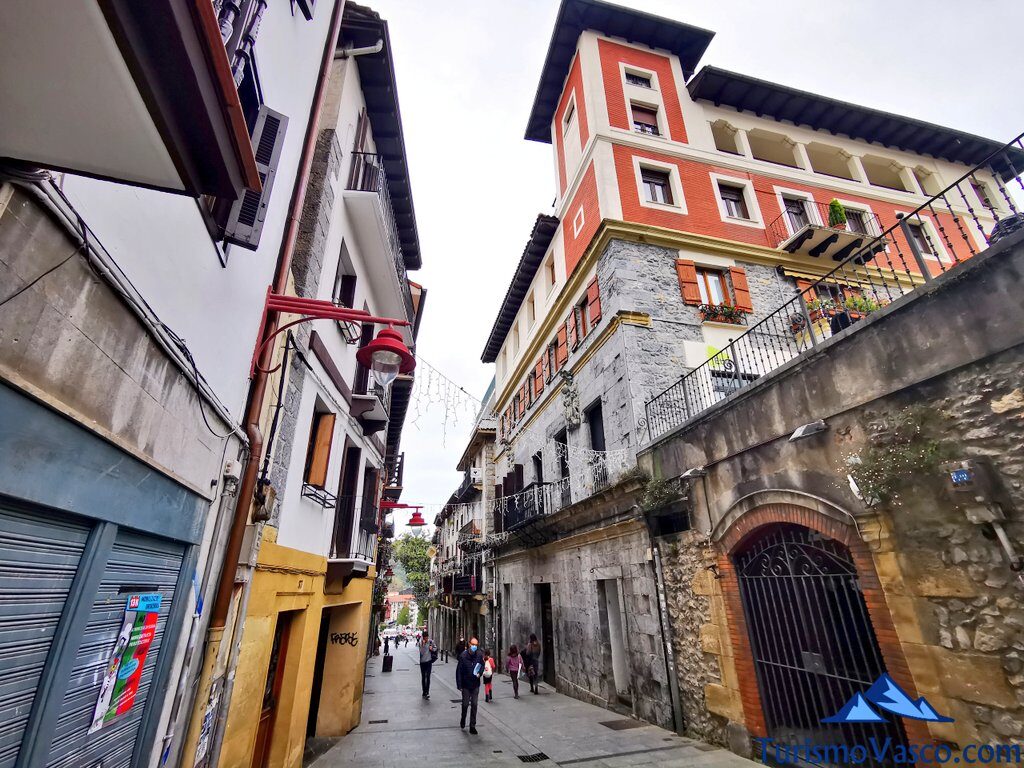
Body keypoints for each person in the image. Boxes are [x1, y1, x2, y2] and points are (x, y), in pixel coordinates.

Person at [455, 636, 484, 734]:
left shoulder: (479, 655)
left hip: (475, 684)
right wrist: (459, 685)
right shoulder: (463, 656)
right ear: (469, 645)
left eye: (476, 645)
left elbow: (482, 666)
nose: (474, 646)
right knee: (465, 704)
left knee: (474, 705)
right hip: (466, 684)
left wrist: (480, 673)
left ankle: (472, 726)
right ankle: (463, 719)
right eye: (473, 644)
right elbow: (459, 670)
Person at [419, 630, 438, 699]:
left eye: (427, 637)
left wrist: (432, 648)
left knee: (428, 677)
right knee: (424, 677)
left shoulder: (431, 642)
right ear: (423, 637)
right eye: (425, 638)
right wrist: (423, 645)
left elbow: (435, 648)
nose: (426, 639)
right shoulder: (420, 642)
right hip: (422, 662)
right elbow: (421, 652)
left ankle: (427, 692)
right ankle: (424, 691)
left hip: (429, 662)